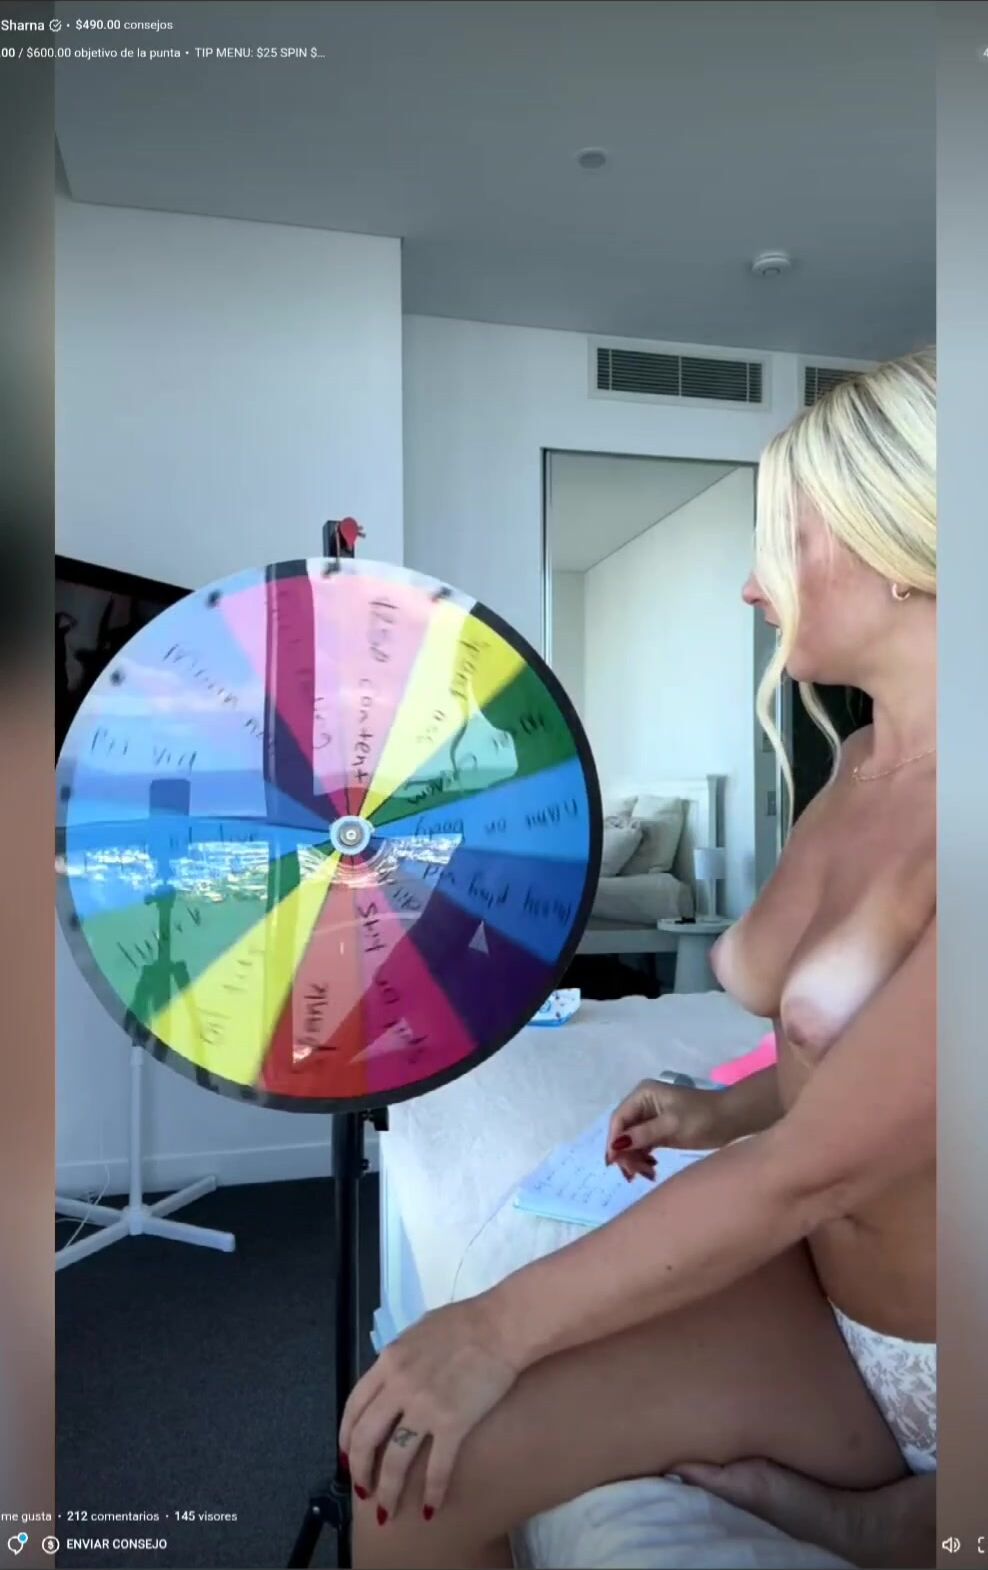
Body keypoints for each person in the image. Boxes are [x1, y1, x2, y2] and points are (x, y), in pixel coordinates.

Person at [340, 346, 937, 1570]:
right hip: (826, 1292)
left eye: (788, 539)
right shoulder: (857, 765)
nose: (754, 587)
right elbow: (879, 1068)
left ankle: (912, 1519)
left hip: (939, 1349)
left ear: (903, 544)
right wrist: (725, 1107)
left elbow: (807, 1171)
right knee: (410, 1473)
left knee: (441, 1433)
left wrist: (491, 1327)